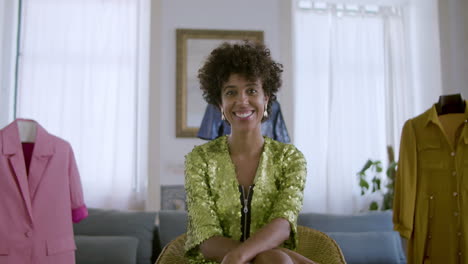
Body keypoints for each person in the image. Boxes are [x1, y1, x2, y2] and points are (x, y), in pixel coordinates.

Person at [184, 41, 315, 264]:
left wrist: (238, 256)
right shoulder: (200, 160)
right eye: (231, 92)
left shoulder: (290, 159)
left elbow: (283, 224)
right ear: (219, 103)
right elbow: (206, 239)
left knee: (274, 258)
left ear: (266, 99)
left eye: (252, 90)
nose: (242, 101)